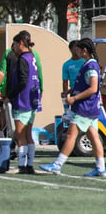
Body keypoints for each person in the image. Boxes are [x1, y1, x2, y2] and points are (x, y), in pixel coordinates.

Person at [40, 38, 106, 176]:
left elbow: (93, 88)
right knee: (94, 137)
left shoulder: (91, 65)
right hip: (88, 107)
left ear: (84, 50)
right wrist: (70, 92)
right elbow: (85, 85)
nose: (75, 51)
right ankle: (100, 167)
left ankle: (57, 165)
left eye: (78, 49)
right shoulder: (87, 64)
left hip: (84, 108)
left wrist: (75, 98)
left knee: (71, 135)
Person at [4, 31, 42, 174]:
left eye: (14, 44)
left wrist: (10, 96)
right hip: (32, 101)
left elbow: (23, 81)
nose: (13, 47)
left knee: (20, 135)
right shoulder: (32, 56)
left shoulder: (22, 59)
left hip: (23, 101)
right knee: (27, 135)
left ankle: (22, 165)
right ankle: (29, 164)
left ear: (20, 43)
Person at [61, 40, 85, 111]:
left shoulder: (85, 61)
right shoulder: (66, 64)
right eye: (76, 47)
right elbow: (65, 81)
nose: (78, 49)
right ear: (71, 49)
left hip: (85, 91)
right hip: (74, 92)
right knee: (75, 112)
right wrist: (65, 94)